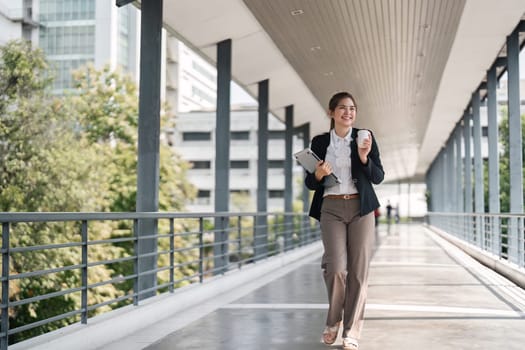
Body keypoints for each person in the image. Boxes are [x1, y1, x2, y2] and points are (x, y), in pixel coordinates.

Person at [304, 91, 384, 350]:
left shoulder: (365, 138)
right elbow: (309, 183)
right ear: (331, 112)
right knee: (336, 267)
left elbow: (378, 176)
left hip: (361, 208)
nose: (348, 112)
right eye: (342, 108)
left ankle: (351, 332)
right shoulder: (319, 142)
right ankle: (333, 320)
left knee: (359, 271)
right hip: (331, 207)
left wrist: (363, 156)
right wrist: (317, 173)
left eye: (352, 108)